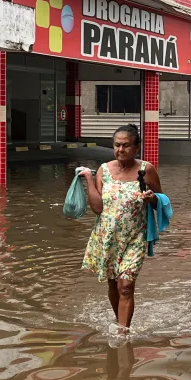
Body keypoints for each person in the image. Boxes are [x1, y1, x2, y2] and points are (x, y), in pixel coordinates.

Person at [79, 125, 162, 332]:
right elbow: (98, 208)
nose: (120, 150)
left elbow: (161, 201)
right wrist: (89, 180)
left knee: (125, 286)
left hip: (135, 237)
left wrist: (152, 198)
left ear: (136, 147)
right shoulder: (104, 170)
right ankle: (120, 322)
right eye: (117, 145)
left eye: (126, 145)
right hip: (107, 237)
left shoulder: (146, 170)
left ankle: (123, 333)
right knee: (113, 285)